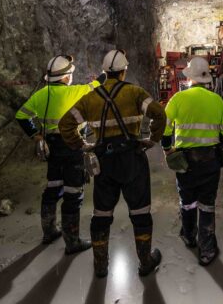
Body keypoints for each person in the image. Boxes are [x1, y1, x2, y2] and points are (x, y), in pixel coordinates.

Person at [59, 50, 167, 277]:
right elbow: (159, 115)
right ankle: (145, 262)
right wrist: (152, 140)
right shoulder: (135, 93)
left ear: (105, 72)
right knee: (140, 212)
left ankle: (100, 267)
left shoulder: (91, 98)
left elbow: (65, 124)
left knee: (101, 215)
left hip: (104, 162)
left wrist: (82, 146)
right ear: (123, 70)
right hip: (133, 160)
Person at [15, 55, 99, 255]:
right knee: (73, 192)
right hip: (72, 145)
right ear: (65, 77)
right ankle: (72, 242)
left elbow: (21, 115)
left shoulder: (41, 95)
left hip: (52, 146)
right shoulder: (75, 91)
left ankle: (49, 232)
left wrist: (36, 137)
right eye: (70, 74)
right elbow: (99, 84)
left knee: (53, 188)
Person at [161, 57, 223, 266]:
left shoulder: (177, 99)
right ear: (206, 78)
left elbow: (165, 130)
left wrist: (168, 149)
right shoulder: (217, 100)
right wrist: (217, 142)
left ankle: (189, 235)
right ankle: (207, 250)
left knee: (188, 202)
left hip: (185, 163)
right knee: (207, 204)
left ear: (190, 77)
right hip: (210, 162)